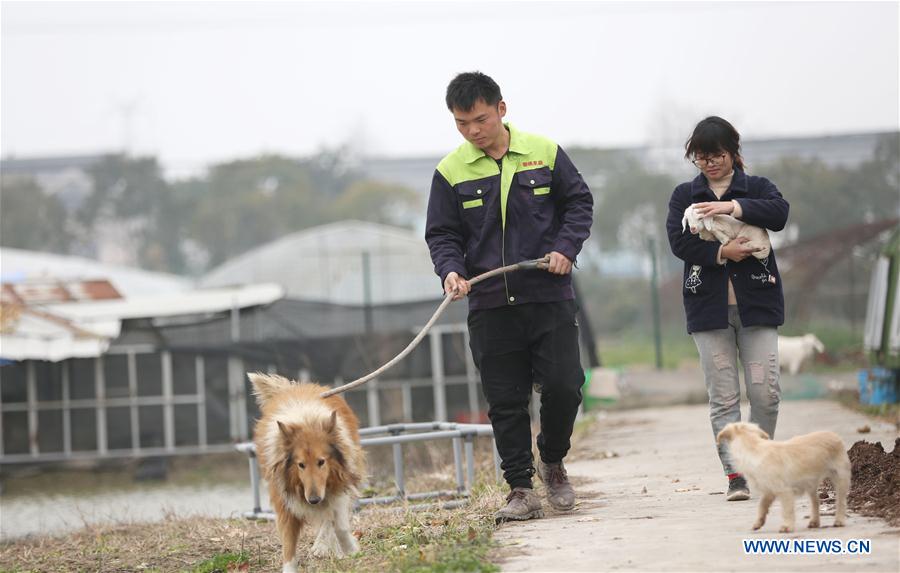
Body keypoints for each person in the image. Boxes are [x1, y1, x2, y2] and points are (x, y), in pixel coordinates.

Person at [425, 71, 593, 522]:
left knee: (565, 385)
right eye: (462, 123)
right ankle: (520, 488)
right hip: (490, 305)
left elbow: (579, 204)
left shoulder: (545, 153)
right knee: (505, 401)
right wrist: (451, 271)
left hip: (548, 295)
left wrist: (565, 249)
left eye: (480, 119)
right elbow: (442, 234)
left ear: (501, 109)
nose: (473, 131)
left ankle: (552, 461)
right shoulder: (450, 171)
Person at [665, 116, 789, 501]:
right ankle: (736, 474)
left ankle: (759, 462)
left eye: (717, 155)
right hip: (708, 311)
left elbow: (779, 214)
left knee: (765, 393)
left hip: (758, 307)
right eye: (702, 157)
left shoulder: (758, 188)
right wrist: (721, 252)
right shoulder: (684, 195)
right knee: (723, 397)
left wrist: (733, 207)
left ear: (733, 152)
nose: (710, 164)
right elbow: (679, 243)